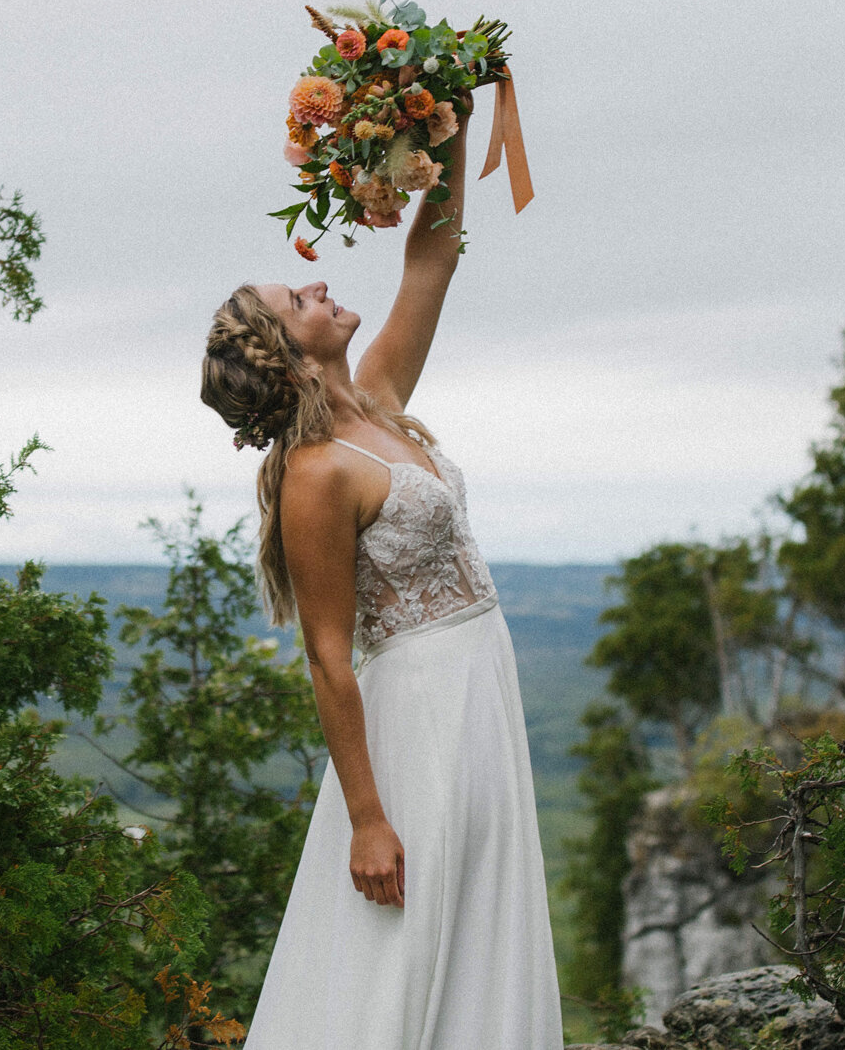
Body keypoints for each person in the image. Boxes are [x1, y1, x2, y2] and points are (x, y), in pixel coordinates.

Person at [199, 104, 561, 1047]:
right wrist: (366, 816)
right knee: (411, 931)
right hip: (419, 717)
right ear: (288, 347)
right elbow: (328, 657)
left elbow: (430, 258)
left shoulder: (382, 403)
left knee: (480, 905)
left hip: (482, 681)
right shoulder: (316, 475)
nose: (319, 284)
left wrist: (448, 109)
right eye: (298, 298)